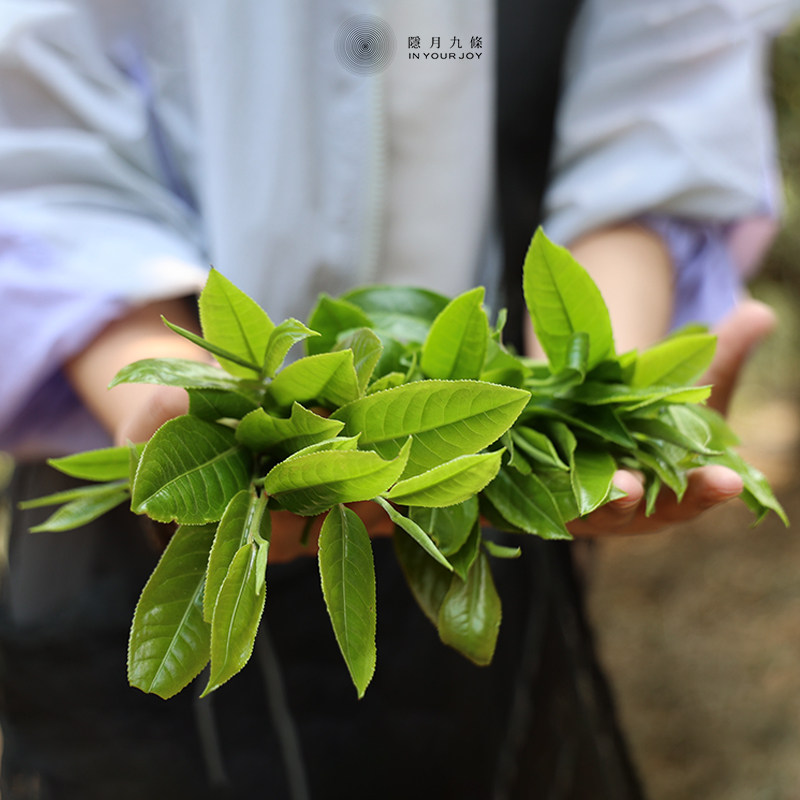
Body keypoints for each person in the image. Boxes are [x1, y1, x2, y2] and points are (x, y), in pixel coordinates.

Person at [0, 1, 794, 797]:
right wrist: (172, 387)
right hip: (140, 498)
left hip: (479, 498)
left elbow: (653, 113)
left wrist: (599, 398)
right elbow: (40, 136)